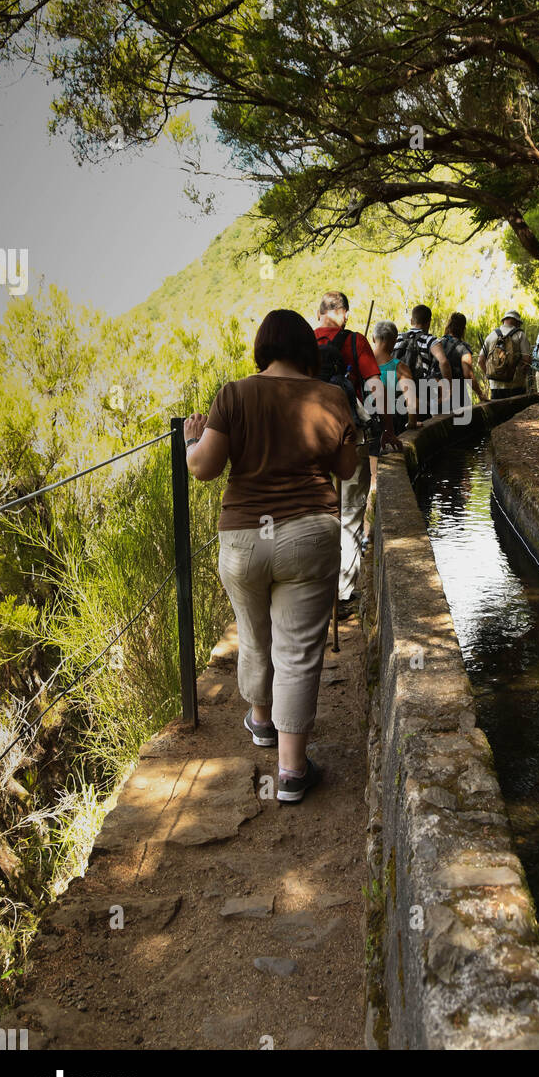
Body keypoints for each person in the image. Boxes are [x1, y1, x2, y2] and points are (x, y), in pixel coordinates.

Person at [183, 309, 357, 804]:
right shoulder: (331, 396)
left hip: (243, 539)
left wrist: (192, 438)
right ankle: (292, 772)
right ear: (307, 350)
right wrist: (346, 433)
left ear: (262, 347)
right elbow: (346, 469)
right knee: (299, 652)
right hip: (309, 534)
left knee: (254, 635)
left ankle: (261, 721)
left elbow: (204, 469)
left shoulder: (234, 393)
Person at [314, 291, 381, 618]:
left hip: (309, 443)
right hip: (350, 439)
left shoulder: (303, 343)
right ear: (343, 313)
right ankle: (342, 595)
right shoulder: (356, 341)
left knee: (315, 516)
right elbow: (376, 391)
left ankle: (315, 594)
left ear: (319, 314)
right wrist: (387, 431)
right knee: (350, 515)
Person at [363, 320, 414, 545]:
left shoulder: (361, 364)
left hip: (359, 428)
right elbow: (411, 400)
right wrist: (413, 423)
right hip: (386, 428)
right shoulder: (398, 367)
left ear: (374, 339)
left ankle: (359, 533)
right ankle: (369, 534)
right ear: (393, 341)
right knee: (374, 481)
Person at [393, 305, 452, 422]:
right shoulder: (430, 339)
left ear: (411, 321)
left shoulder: (397, 338)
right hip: (419, 394)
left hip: (397, 392)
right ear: (429, 322)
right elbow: (443, 362)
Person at [434, 312, 488, 408]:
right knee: (461, 421)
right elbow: (468, 375)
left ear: (449, 326)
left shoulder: (436, 344)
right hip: (457, 394)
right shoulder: (463, 347)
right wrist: (480, 393)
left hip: (436, 393)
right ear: (463, 329)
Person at [477, 309, 532, 399]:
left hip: (495, 386)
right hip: (516, 386)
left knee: (498, 413)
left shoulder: (491, 335)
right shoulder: (520, 335)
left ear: (504, 320)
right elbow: (527, 360)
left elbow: (480, 360)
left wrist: (490, 376)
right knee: (518, 412)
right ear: (517, 322)